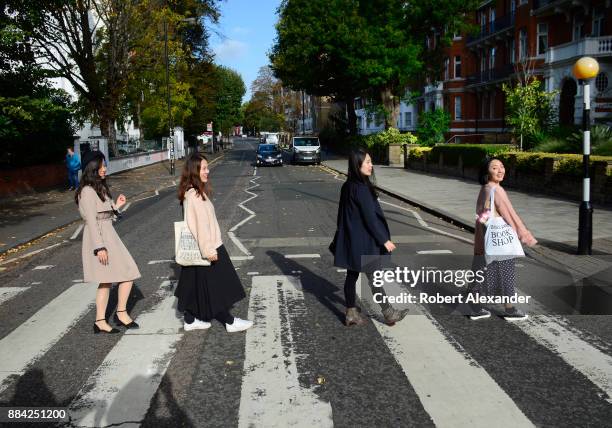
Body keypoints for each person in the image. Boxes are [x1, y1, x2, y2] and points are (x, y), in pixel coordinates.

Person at [175, 153, 252, 332]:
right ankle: (229, 321)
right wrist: (208, 249)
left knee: (193, 284)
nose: (207, 171)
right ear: (195, 171)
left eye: (207, 167)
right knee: (219, 283)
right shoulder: (194, 196)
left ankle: (190, 319)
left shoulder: (194, 192)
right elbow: (200, 226)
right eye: (203, 168)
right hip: (208, 245)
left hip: (204, 245)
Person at [333, 149, 408, 327]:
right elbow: (371, 218)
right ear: (357, 165)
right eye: (367, 162)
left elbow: (342, 215)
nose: (371, 165)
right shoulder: (362, 188)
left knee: (351, 276)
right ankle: (389, 313)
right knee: (374, 278)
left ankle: (351, 313)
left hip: (352, 240)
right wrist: (384, 240)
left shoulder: (348, 185)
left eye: (370, 162)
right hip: (365, 242)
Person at [75, 151, 141, 333]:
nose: (105, 168)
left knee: (127, 273)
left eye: (104, 165)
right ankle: (102, 320)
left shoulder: (99, 188)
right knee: (107, 280)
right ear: (93, 168)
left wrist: (116, 206)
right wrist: (99, 248)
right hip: (100, 238)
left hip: (109, 234)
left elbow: (105, 214)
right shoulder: (87, 191)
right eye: (102, 165)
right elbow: (91, 220)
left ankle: (119, 313)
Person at [470, 157, 537, 321]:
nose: (500, 171)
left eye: (502, 167)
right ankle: (510, 310)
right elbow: (511, 215)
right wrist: (524, 234)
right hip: (500, 242)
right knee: (506, 274)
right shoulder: (496, 190)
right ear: (487, 172)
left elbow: (482, 216)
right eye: (494, 168)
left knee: (483, 273)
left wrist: (485, 233)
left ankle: (476, 307)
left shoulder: (485, 188)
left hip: (487, 242)